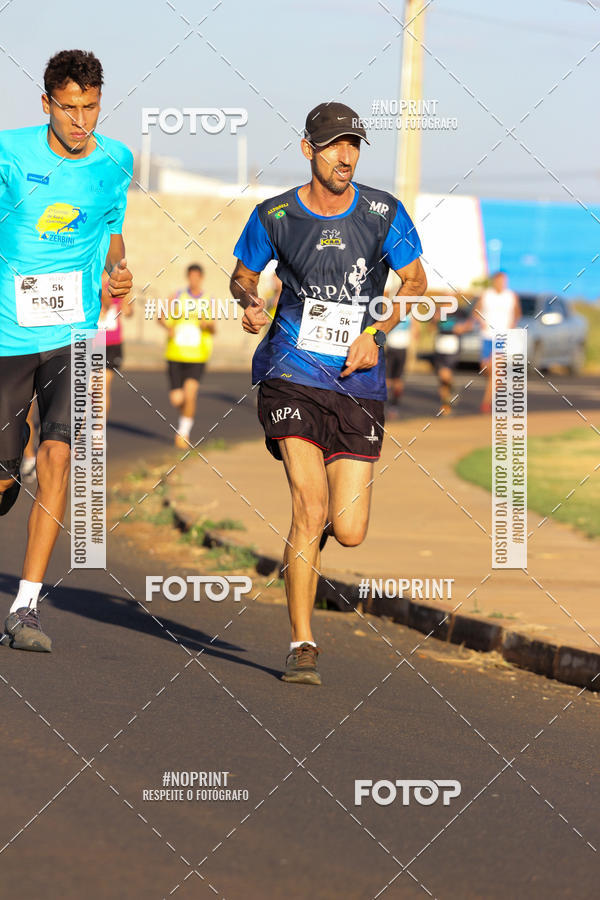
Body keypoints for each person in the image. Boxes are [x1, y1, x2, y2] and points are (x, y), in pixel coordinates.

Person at [230, 102, 427, 685]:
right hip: (291, 373)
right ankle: (302, 642)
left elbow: (415, 282)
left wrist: (377, 332)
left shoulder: (383, 211)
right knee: (308, 503)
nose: (346, 155)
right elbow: (241, 274)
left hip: (358, 381)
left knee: (349, 529)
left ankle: (304, 551)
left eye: (354, 145)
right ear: (307, 149)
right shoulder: (275, 215)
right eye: (334, 145)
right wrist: (249, 300)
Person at [0, 49, 133, 652]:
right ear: (47, 103)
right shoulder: (9, 154)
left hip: (75, 334)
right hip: (7, 334)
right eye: (69, 109)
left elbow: (111, 234)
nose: (82, 122)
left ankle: (26, 607)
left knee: (59, 457)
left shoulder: (115, 162)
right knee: (4, 475)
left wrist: (119, 273)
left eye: (92, 108)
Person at [158, 264, 215, 449]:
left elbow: (214, 327)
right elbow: (160, 316)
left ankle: (183, 431)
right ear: (188, 277)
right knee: (177, 398)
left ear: (201, 278)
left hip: (197, 355)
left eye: (197, 277)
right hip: (175, 353)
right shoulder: (176, 296)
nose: (194, 280)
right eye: (191, 276)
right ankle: (185, 416)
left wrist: (207, 325)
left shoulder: (207, 300)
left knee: (190, 394)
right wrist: (168, 327)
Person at [462, 272, 521, 413]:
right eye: (499, 281)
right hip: (487, 336)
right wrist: (480, 321)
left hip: (502, 336)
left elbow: (517, 313)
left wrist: (512, 324)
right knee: (485, 367)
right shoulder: (487, 295)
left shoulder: (511, 296)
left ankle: (486, 403)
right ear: (494, 281)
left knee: (495, 369)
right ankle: (495, 386)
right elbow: (475, 311)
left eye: (504, 281)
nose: (501, 284)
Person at [98, 271, 133, 418]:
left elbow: (129, 311)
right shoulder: (91, 280)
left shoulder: (118, 284)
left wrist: (126, 305)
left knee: (102, 389)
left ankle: (98, 432)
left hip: (112, 343)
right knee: (88, 390)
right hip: (93, 341)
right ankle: (80, 433)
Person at [431, 300, 462, 415]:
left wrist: (462, 328)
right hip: (440, 346)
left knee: (445, 374)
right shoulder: (439, 311)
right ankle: (445, 405)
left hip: (452, 347)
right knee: (441, 377)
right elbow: (432, 326)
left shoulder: (459, 313)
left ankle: (452, 389)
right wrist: (435, 319)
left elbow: (469, 324)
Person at [385, 306, 414, 418]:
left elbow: (414, 331)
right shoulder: (391, 310)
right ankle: (381, 404)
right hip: (390, 348)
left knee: (398, 380)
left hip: (403, 349)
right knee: (386, 380)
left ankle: (394, 405)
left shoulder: (411, 313)